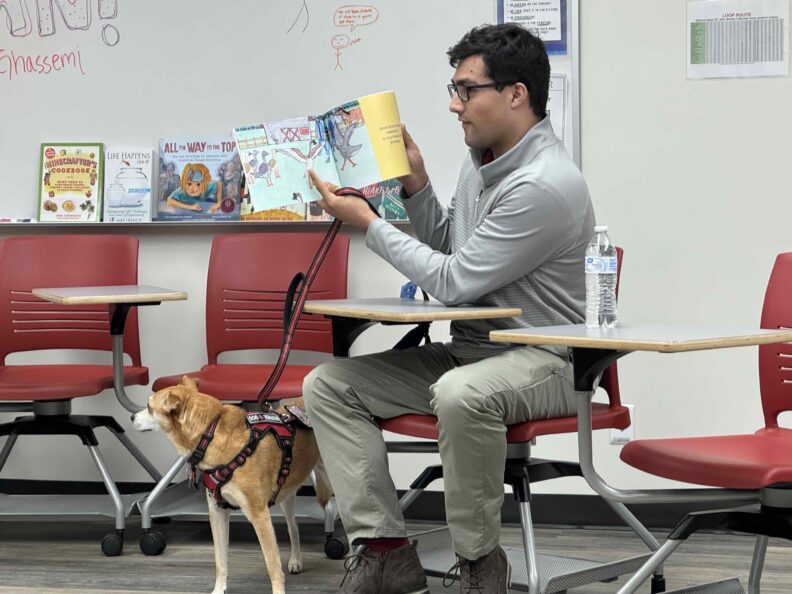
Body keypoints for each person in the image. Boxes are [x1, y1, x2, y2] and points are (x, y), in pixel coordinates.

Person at [304, 22, 595, 594]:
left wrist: (369, 224)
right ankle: (385, 549)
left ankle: (482, 563)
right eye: (454, 88)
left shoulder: (543, 183)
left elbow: (455, 281)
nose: (453, 104)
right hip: (473, 350)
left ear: (516, 94)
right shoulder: (481, 160)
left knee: (461, 394)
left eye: (466, 89)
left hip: (550, 362)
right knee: (328, 385)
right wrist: (416, 188)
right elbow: (452, 252)